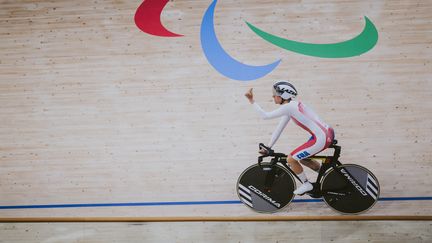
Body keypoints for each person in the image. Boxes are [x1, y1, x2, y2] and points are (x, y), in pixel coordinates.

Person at [245, 81, 335, 195]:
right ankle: (328, 177)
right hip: (325, 133)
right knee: (303, 159)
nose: (273, 96)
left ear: (284, 95)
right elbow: (279, 128)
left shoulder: (289, 107)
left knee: (291, 159)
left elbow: (265, 116)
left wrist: (251, 100)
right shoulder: (292, 107)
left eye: (275, 94)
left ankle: (306, 184)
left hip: (321, 137)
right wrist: (268, 146)